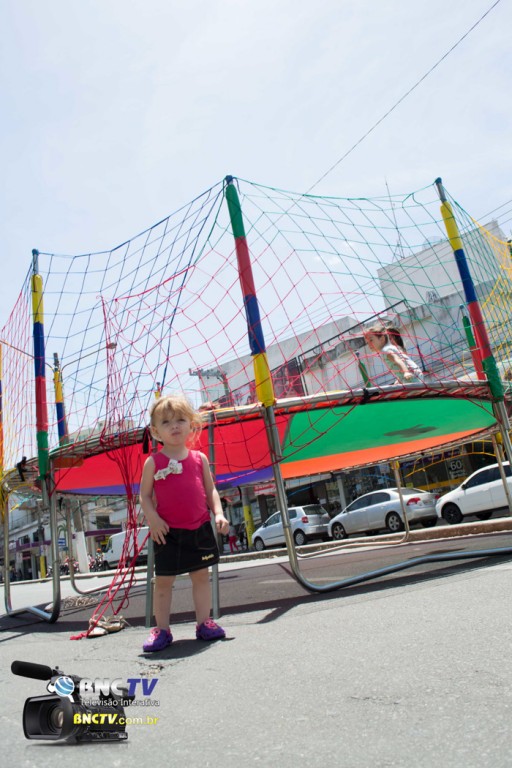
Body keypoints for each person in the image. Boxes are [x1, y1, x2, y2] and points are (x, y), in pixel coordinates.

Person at [139, 394, 229, 652]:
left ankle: (204, 623)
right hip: (167, 532)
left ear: (191, 423)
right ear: (156, 431)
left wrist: (218, 513)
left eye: (180, 419)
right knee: (163, 582)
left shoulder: (199, 459)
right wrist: (153, 519)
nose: (175, 426)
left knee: (201, 577)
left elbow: (210, 490)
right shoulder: (153, 462)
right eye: (166, 422)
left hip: (199, 528)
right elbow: (144, 496)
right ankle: (162, 630)